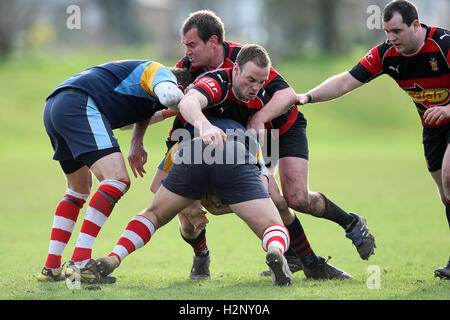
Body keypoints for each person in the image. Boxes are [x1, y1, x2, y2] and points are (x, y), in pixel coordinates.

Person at [131, 10, 370, 280]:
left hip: (277, 128)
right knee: (187, 208)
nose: (186, 52)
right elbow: (165, 104)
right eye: (185, 45)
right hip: (235, 137)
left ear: (213, 42)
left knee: (290, 199)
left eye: (192, 44)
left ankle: (343, 228)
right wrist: (138, 140)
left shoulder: (246, 58)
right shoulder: (187, 68)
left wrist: (260, 116)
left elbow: (287, 94)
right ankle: (209, 255)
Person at [296, 0, 449, 279]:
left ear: (416, 25)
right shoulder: (387, 54)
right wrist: (306, 97)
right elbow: (345, 81)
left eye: (397, 31)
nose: (391, 38)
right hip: (433, 128)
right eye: (386, 31)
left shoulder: (444, 45)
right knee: (446, 194)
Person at [38, 59, 192, 283]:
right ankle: (80, 263)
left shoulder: (146, 92)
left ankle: (51, 268)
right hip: (79, 103)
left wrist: (147, 132)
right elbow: (170, 97)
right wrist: (193, 106)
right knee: (117, 179)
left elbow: (128, 123)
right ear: (180, 86)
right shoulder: (159, 73)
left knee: (78, 190)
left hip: (56, 105)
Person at [95, 117, 294, 287]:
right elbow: (261, 188)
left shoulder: (185, 132)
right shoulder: (250, 137)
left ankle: (115, 256)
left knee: (155, 214)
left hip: (191, 151)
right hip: (235, 154)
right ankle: (275, 249)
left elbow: (157, 184)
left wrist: (190, 206)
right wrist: (222, 207)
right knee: (271, 224)